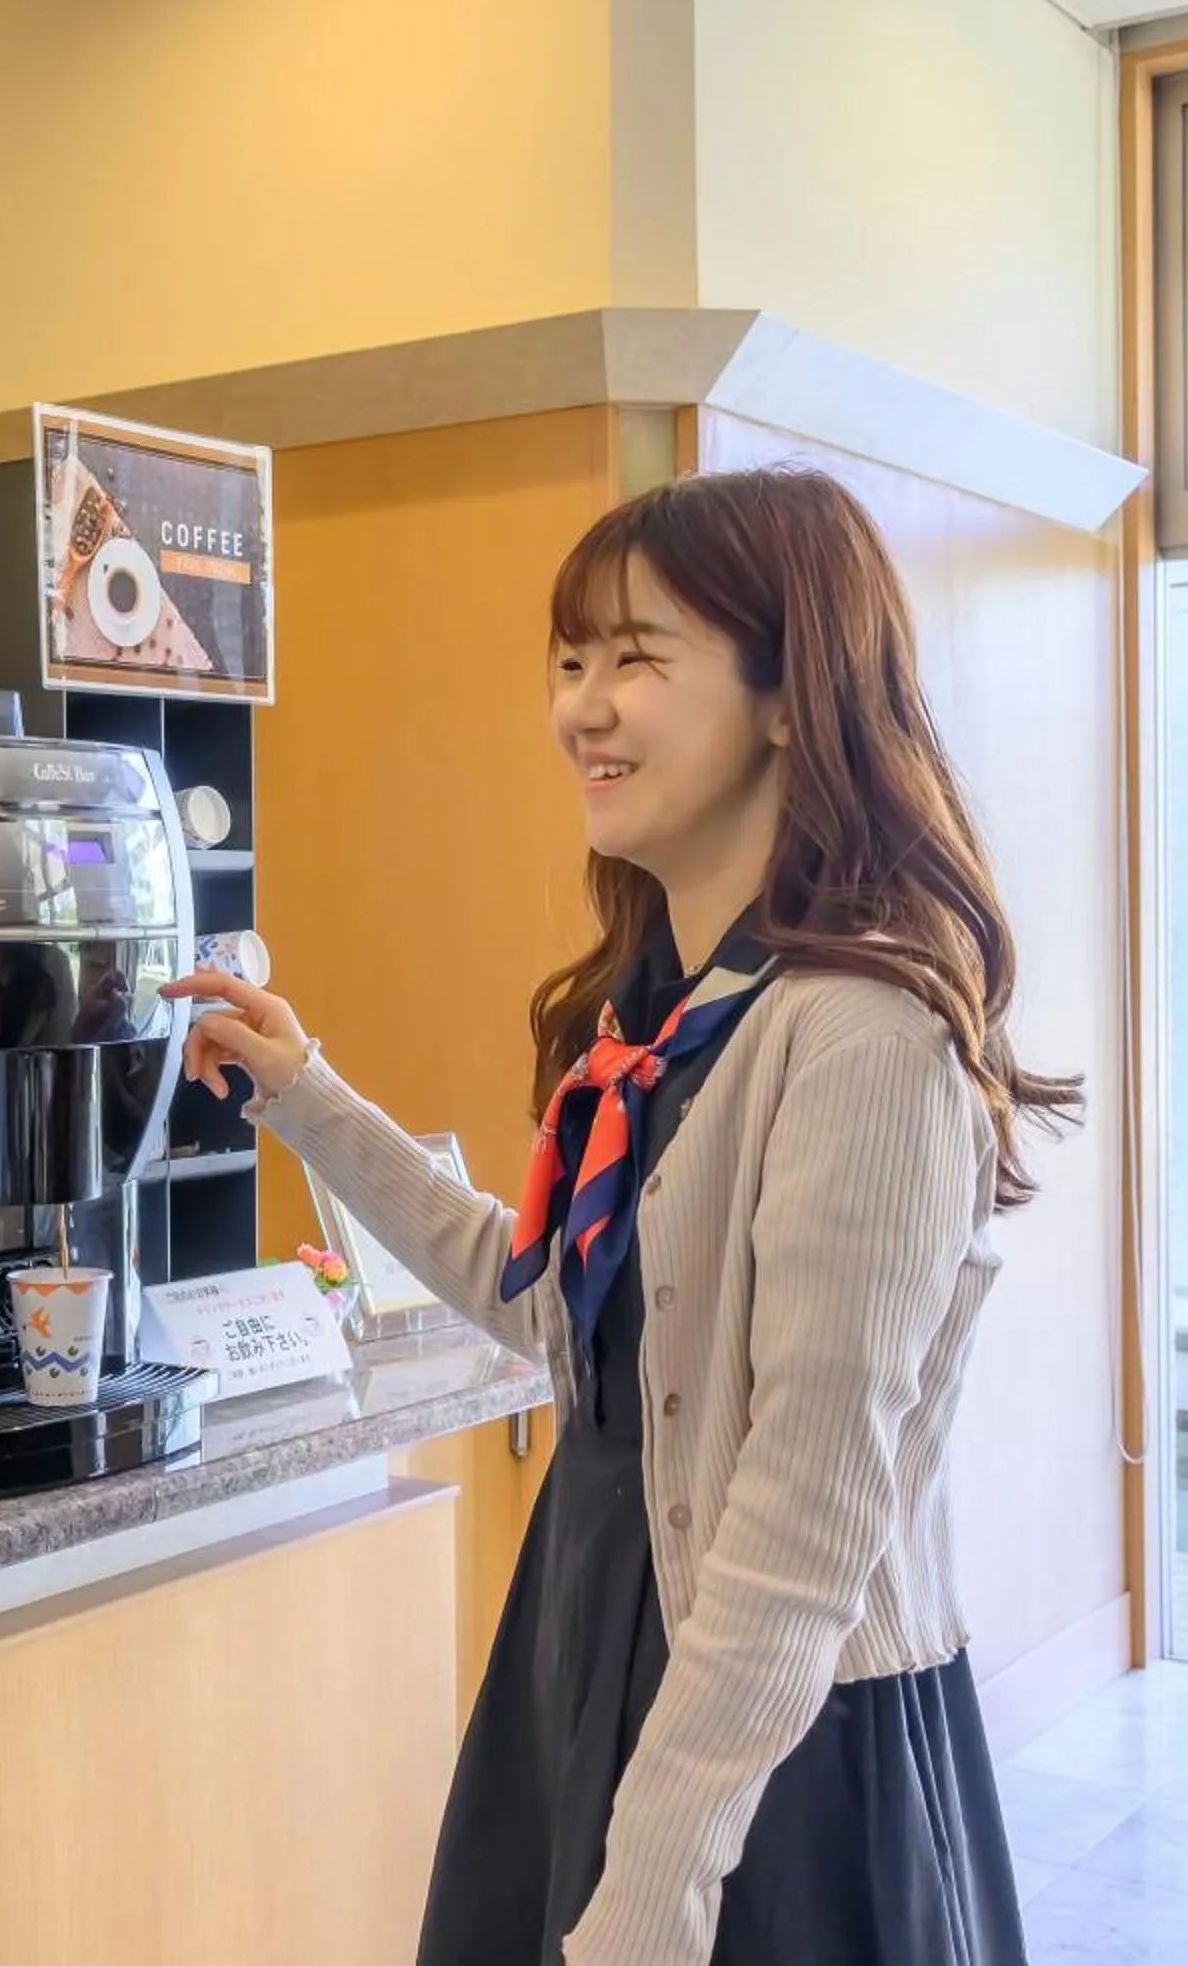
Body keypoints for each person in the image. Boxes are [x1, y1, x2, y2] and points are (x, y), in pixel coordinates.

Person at [167, 468, 1072, 1966]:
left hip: (776, 1746)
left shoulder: (861, 1037)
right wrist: (302, 1094)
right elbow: (551, 1309)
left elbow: (805, 1518)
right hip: (588, 1645)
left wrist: (658, 1882)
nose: (582, 707)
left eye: (637, 659)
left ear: (793, 692)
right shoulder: (664, 1013)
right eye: (570, 662)